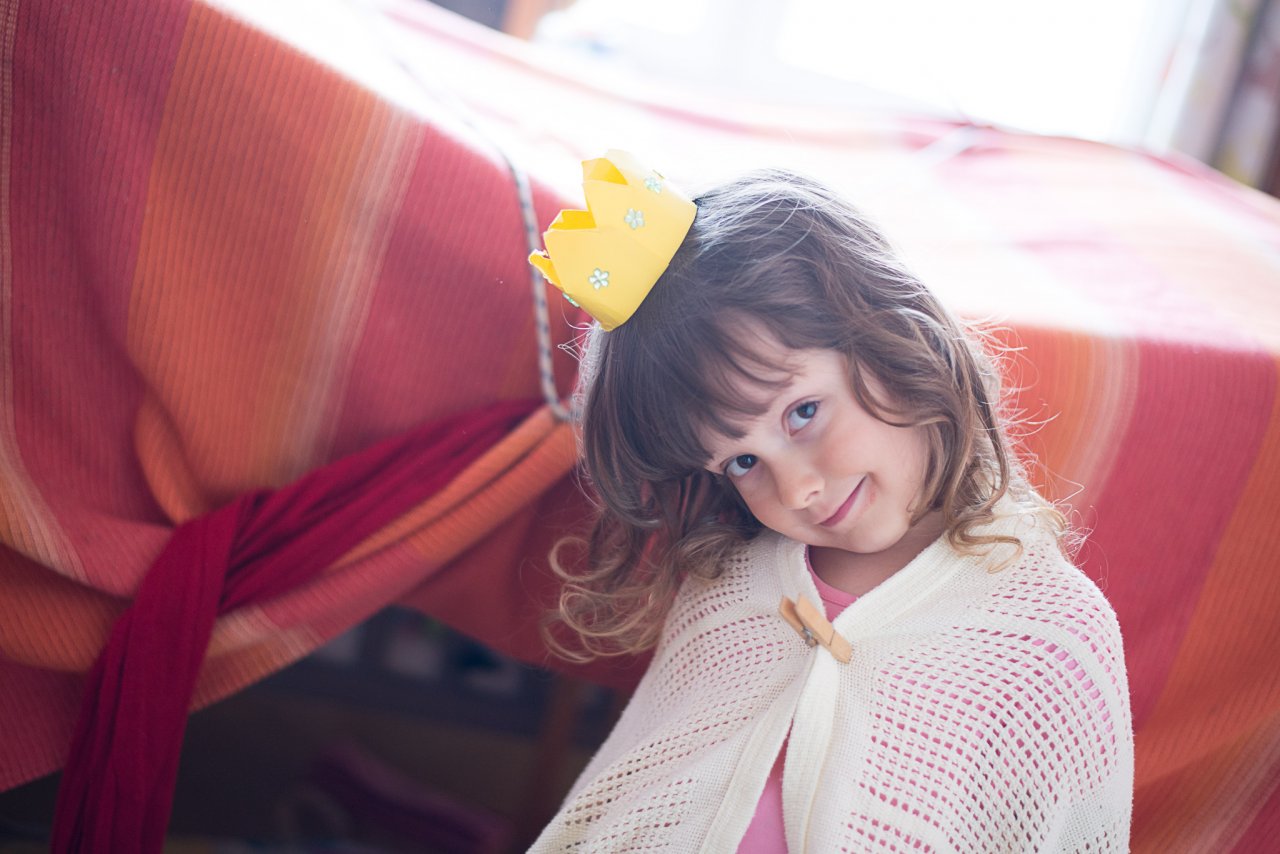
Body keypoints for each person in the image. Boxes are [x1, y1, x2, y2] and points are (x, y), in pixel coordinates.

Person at [526, 150, 1133, 852]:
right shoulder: (731, 593)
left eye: (802, 413)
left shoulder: (1045, 639)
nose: (796, 489)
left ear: (890, 338)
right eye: (742, 462)